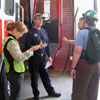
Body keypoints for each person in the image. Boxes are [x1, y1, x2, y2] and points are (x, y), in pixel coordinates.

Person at [2, 21, 46, 100]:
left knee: (15, 94)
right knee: (15, 96)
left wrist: (34, 48)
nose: (21, 35)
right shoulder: (12, 42)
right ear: (15, 30)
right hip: (15, 73)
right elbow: (19, 57)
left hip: (12, 71)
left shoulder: (8, 39)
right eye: (21, 33)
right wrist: (32, 50)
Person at [25, 13, 61, 100]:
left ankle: (51, 92)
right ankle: (36, 95)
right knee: (34, 77)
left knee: (46, 76)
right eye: (39, 19)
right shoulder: (30, 32)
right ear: (34, 20)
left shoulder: (44, 31)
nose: (41, 20)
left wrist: (49, 55)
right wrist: (38, 47)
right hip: (34, 58)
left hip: (43, 58)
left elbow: (47, 44)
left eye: (42, 19)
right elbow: (27, 46)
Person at [70, 10, 100, 100]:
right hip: (97, 65)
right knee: (93, 92)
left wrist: (73, 67)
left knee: (79, 91)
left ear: (85, 21)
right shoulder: (97, 32)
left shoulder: (82, 32)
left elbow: (77, 51)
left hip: (84, 65)